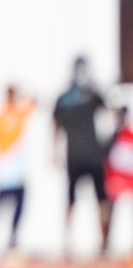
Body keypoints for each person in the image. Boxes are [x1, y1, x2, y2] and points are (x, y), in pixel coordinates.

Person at [52, 56, 111, 257]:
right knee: (85, 199)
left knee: (94, 199)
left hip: (82, 155)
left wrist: (54, 150)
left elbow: (55, 126)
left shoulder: (67, 98)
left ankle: (99, 243)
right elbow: (108, 108)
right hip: (86, 155)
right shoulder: (89, 95)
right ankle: (80, 243)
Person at [0, 85, 33, 254]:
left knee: (19, 204)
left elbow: (35, 101)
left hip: (17, 166)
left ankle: (12, 239)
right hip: (5, 166)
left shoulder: (19, 113)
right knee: (0, 203)